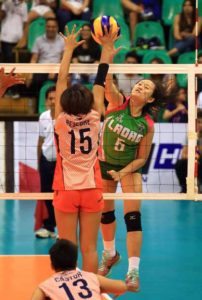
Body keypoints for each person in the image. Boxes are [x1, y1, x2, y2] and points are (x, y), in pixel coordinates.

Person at [97, 42, 171, 290]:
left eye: (146, 86)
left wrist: (124, 171)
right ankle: (110, 254)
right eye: (140, 82)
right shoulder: (117, 101)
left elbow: (142, 158)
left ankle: (133, 271)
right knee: (105, 214)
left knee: (132, 218)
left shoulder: (147, 124)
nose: (140, 85)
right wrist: (107, 54)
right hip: (105, 164)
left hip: (129, 169)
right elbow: (106, 81)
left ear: (150, 98)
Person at [52, 24, 120, 273]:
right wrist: (106, 50)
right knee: (90, 249)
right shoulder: (96, 116)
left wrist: (68, 49)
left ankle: (65, 292)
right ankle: (90, 293)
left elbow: (61, 79)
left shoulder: (60, 119)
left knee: (66, 247)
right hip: (92, 188)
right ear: (90, 102)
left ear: (64, 102)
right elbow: (100, 79)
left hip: (66, 189)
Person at [31, 239, 137, 300]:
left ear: (52, 265)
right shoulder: (91, 277)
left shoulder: (45, 286)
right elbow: (122, 287)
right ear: (76, 263)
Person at [35, 86, 57, 238]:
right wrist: (39, 161)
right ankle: (49, 227)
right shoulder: (43, 116)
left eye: (56, 98)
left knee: (62, 197)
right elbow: (41, 140)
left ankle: (64, 228)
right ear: (46, 101)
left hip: (62, 163)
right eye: (50, 98)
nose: (53, 101)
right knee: (46, 194)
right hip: (46, 160)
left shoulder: (67, 116)